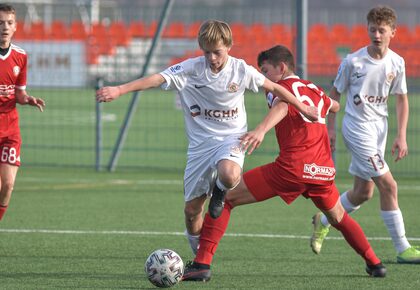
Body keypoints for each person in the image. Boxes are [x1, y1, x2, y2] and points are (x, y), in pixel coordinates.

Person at [96, 20, 318, 255]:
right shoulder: (191, 69)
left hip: (231, 138)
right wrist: (120, 89)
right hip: (200, 146)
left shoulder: (241, 69)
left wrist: (302, 108)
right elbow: (157, 79)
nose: (212, 58)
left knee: (230, 174)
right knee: (192, 212)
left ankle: (220, 191)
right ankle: (198, 257)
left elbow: (276, 89)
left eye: (217, 52)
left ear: (229, 47)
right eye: (207, 52)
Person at [182, 45, 386, 282]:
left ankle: (202, 264)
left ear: (281, 67)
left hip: (292, 169)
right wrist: (326, 110)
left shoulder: (281, 89)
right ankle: (375, 263)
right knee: (338, 217)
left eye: (266, 70)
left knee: (226, 197)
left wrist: (260, 130)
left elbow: (283, 104)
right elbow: (336, 105)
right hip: (322, 170)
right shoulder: (314, 90)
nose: (264, 77)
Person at [310, 5, 420, 264]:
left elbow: (402, 99)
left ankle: (323, 220)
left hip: (378, 129)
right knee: (389, 185)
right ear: (368, 30)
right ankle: (402, 247)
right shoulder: (353, 61)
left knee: (363, 192)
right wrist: (330, 129)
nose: (377, 35)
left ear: (393, 32)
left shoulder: (397, 62)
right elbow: (334, 95)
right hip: (356, 129)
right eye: (373, 29)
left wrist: (401, 135)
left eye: (382, 30)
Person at [0, 3, 45, 221]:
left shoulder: (20, 56)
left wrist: (28, 99)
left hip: (10, 131)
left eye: (9, 23)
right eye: (0, 23)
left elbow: (19, 93)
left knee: (8, 185)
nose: (4, 27)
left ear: (16, 27)